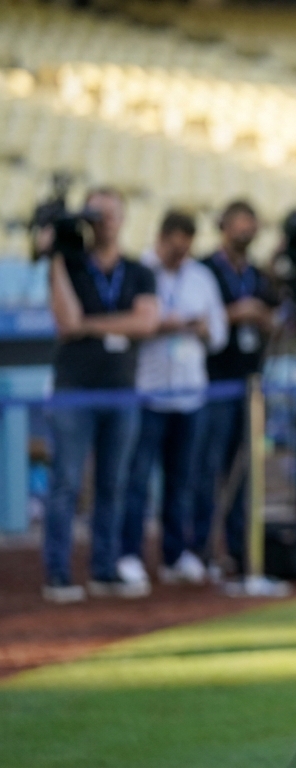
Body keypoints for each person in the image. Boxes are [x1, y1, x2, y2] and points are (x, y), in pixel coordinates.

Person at [41, 187, 159, 602]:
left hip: (121, 390)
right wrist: (54, 253)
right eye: (97, 215)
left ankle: (104, 568)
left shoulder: (138, 271)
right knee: (67, 481)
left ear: (123, 219)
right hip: (74, 388)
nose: (104, 221)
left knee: (114, 483)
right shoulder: (70, 265)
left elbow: (145, 324)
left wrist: (92, 325)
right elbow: (65, 321)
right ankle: (57, 572)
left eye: (111, 214)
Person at [120, 211, 227, 586]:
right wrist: (164, 324)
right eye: (174, 246)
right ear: (161, 237)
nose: (179, 254)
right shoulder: (138, 271)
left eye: (186, 248)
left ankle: (174, 553)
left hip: (190, 393)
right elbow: (128, 327)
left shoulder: (200, 277)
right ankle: (129, 554)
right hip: (147, 391)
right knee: (136, 480)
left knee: (183, 481)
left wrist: (200, 328)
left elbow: (219, 335)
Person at [198, 199, 278, 577]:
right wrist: (236, 313)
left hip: (250, 383)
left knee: (243, 474)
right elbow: (197, 317)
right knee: (209, 469)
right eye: (239, 223)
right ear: (224, 226)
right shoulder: (204, 270)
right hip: (214, 382)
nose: (246, 231)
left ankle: (239, 549)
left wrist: (263, 317)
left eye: (252, 223)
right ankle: (201, 550)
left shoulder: (259, 274)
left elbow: (278, 318)